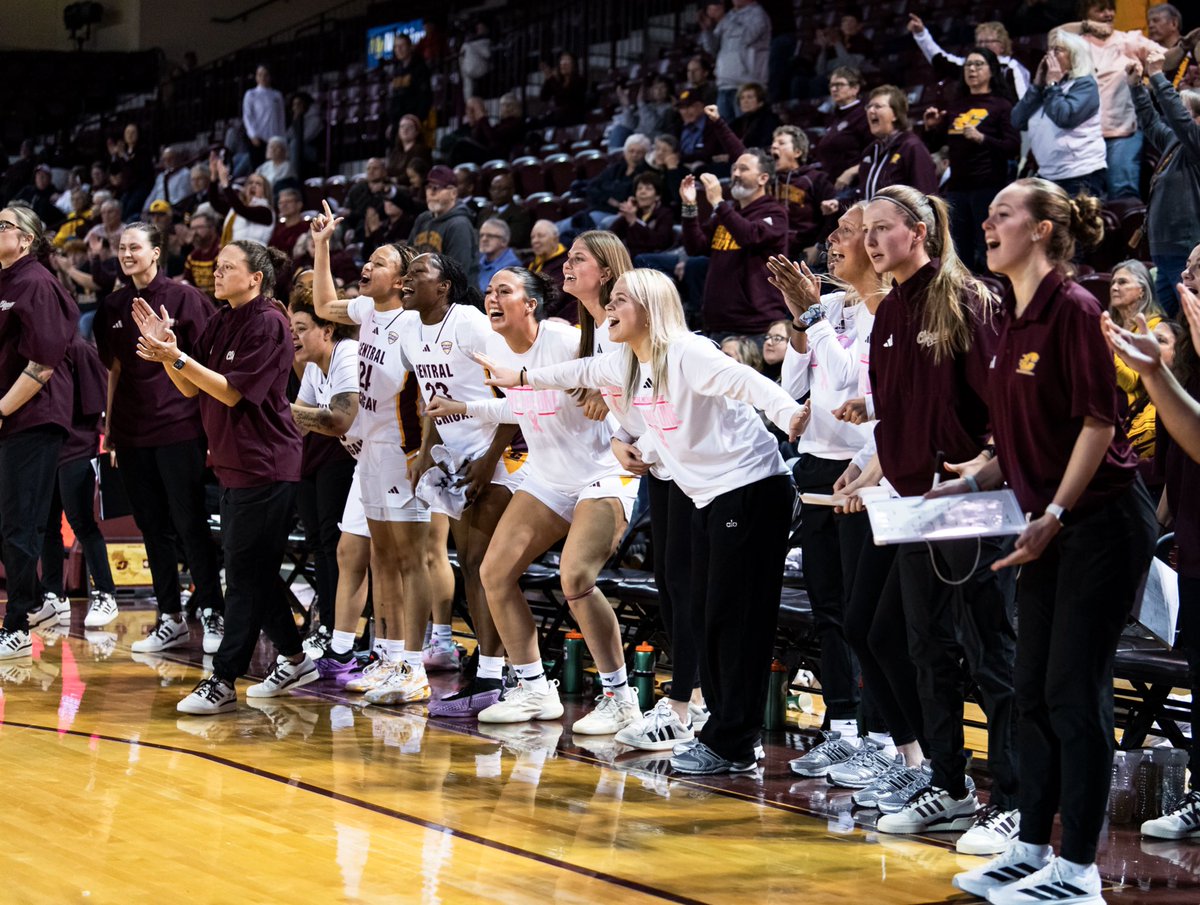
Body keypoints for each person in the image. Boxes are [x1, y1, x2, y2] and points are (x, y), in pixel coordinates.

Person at [482, 268, 807, 774]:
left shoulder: (686, 351)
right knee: (705, 614)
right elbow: (577, 374)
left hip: (750, 489)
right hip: (711, 497)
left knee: (732, 620)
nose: (608, 308)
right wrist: (520, 379)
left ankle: (734, 742)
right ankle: (725, 735)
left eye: (619, 300)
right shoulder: (627, 361)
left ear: (651, 309)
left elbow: (748, 384)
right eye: (609, 300)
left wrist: (791, 417)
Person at [950, 177, 1156, 905]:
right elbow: (1014, 440)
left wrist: (1057, 514)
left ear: (1040, 230)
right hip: (1046, 527)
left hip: (1098, 522)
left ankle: (1078, 871)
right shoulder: (1006, 316)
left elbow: (1100, 424)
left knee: (1074, 690)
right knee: (1033, 686)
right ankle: (1031, 845)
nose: (988, 221)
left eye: (1003, 212)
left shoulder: (1075, 308)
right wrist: (965, 483)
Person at [850, 186, 1021, 856]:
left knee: (991, 653)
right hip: (914, 509)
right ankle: (951, 786)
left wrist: (983, 463)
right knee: (926, 648)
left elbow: (999, 399)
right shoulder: (890, 306)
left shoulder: (965, 297)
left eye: (881, 229)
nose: (870, 241)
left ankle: (1012, 796)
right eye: (866, 231)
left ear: (918, 231)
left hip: (969, 505)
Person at [428, 266, 642, 733]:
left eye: (504, 290)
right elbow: (521, 407)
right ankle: (532, 689)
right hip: (548, 477)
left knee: (575, 578)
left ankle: (620, 697)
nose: (492, 297)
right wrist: (464, 407)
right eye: (487, 291)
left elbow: (630, 364)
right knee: (493, 572)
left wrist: (610, 395)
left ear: (530, 304)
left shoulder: (564, 339)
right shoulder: (498, 350)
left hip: (603, 474)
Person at [135, 240, 313, 714]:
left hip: (268, 466)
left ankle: (224, 679)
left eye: (227, 267)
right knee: (253, 570)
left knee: (242, 575)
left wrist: (175, 356)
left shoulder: (270, 322)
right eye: (216, 267)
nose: (216, 273)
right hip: (234, 466)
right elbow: (192, 385)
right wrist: (166, 355)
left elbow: (233, 393)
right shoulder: (222, 318)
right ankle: (296, 658)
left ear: (255, 277)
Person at [307, 208, 435, 697]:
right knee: (382, 557)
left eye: (378, 263)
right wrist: (321, 245)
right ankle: (387, 655)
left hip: (402, 451)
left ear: (401, 280)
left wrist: (422, 452)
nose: (366, 267)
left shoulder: (410, 324)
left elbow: (428, 398)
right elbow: (323, 303)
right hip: (372, 451)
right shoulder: (365, 312)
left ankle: (414, 665)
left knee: (411, 560)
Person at [93, 222, 225, 655]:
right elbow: (113, 371)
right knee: (151, 525)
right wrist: (111, 429)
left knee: (189, 522)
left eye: (135, 247)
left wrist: (211, 428)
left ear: (156, 252)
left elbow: (206, 365)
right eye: (121, 247)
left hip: (180, 428)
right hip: (131, 434)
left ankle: (212, 610)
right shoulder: (111, 305)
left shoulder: (186, 298)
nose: (127, 253)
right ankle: (169, 617)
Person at [402, 252, 524, 714]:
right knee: (472, 565)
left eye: (419, 273)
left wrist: (489, 460)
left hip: (502, 451)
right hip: (456, 459)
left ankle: (498, 673)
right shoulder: (412, 331)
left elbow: (517, 396)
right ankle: (494, 670)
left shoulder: (471, 323)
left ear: (445, 286)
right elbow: (434, 401)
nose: (409, 278)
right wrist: (423, 453)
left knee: (481, 563)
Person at [0, 205, 79, 660]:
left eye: (4, 225)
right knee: (11, 522)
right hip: (11, 418)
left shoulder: (37, 283)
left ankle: (19, 620)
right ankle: (37, 607)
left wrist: (2, 410)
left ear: (26, 240)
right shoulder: (6, 281)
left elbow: (42, 366)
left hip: (31, 419)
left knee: (21, 522)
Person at [288, 285, 358, 651]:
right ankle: (333, 631)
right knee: (329, 546)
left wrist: (276, 407)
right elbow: (299, 420)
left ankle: (341, 632)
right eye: (290, 328)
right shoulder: (315, 368)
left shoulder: (348, 353)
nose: (293, 336)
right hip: (363, 461)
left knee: (341, 546)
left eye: (300, 328)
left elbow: (335, 420)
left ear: (328, 330)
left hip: (384, 459)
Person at [40, 333, 119, 628]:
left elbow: (100, 398)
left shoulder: (79, 349)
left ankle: (106, 593)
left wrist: (110, 436)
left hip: (77, 446)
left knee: (81, 521)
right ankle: (53, 595)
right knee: (47, 523)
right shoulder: (36, 348)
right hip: (46, 447)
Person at [921, 47, 1020, 270]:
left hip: (987, 187)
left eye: (978, 64)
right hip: (957, 188)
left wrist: (982, 138)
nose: (972, 69)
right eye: (968, 65)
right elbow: (935, 145)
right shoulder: (957, 105)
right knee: (958, 251)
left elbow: (1013, 147)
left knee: (987, 248)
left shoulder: (1001, 105)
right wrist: (931, 128)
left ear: (992, 71)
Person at [1059, 0, 1163, 199]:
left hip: (1122, 134)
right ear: (1085, 12)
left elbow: (1167, 58)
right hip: (1084, 136)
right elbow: (1054, 35)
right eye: (1100, 10)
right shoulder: (1076, 43)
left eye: (1110, 9)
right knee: (1083, 198)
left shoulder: (1129, 40)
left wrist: (1185, 46)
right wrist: (1086, 27)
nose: (1108, 14)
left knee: (1123, 192)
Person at [681, 151, 789, 340]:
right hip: (717, 324)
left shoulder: (775, 213)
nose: (736, 174)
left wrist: (717, 202)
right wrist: (689, 207)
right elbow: (695, 247)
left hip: (755, 327)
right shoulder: (727, 212)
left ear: (763, 178)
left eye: (744, 169)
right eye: (734, 169)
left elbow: (748, 235)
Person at [707, 105, 835, 260]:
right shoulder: (766, 178)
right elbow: (741, 154)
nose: (774, 146)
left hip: (802, 251)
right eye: (773, 142)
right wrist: (718, 122)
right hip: (767, 245)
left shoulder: (815, 179)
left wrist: (819, 245)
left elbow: (833, 215)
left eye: (781, 143)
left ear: (797, 152)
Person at [1131, 51, 1200, 315]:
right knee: (1172, 327)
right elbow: (1150, 121)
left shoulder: (1196, 144)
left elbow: (1176, 115)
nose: (1172, 117)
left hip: (1186, 252)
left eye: (1182, 111)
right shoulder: (1175, 143)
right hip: (1163, 252)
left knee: (1191, 322)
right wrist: (1136, 86)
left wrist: (1158, 76)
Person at [1011, 29, 1106, 197]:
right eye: (1049, 50)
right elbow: (1017, 120)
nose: (1050, 55)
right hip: (1048, 175)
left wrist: (1052, 84)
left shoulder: (1085, 85)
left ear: (1075, 57)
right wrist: (1037, 86)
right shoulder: (1047, 88)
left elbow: (1064, 117)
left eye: (1057, 50)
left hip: (1079, 175)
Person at [824, 85, 938, 214]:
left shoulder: (912, 147)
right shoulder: (871, 151)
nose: (870, 111)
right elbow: (866, 195)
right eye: (869, 106)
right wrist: (839, 203)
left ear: (895, 114)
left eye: (878, 106)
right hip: (875, 227)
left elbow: (926, 197)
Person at [1109, 260, 1165, 460]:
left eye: (1123, 282)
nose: (1114, 287)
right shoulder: (1114, 324)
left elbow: (1131, 382)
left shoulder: (1153, 327)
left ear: (1142, 290)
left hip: (1133, 408)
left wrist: (1108, 348)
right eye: (1113, 282)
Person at [908, 16, 1031, 98]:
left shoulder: (1012, 69)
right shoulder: (969, 66)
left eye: (988, 42)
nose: (982, 46)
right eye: (980, 42)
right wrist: (921, 34)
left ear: (1002, 46)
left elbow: (1024, 105)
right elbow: (940, 60)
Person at [699, 0, 772, 124]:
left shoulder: (758, 14)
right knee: (724, 132)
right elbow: (712, 48)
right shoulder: (728, 17)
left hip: (748, 85)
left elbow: (747, 37)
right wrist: (708, 29)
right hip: (724, 84)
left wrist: (723, 20)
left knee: (746, 130)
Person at [409, 165, 479, 285]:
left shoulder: (459, 225)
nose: (431, 193)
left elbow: (457, 274)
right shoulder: (423, 219)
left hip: (455, 298)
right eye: (428, 187)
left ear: (453, 193)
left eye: (436, 188)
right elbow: (409, 256)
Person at [811, 67, 873, 182]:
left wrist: (852, 172)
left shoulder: (863, 115)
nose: (834, 89)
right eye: (831, 86)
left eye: (839, 85)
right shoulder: (833, 117)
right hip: (832, 183)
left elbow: (873, 154)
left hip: (855, 183)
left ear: (855, 88)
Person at [208, 154, 274, 246]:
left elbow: (242, 210)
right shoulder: (236, 209)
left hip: (254, 257)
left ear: (265, 191)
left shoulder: (266, 212)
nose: (253, 185)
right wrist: (214, 176)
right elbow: (215, 203)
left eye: (258, 184)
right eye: (250, 182)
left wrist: (225, 182)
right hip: (235, 255)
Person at [609, 172, 675, 260]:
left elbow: (661, 241)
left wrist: (634, 221)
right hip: (630, 255)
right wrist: (626, 215)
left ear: (657, 196)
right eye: (639, 188)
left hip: (650, 258)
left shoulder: (665, 214)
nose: (642, 192)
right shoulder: (634, 212)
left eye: (648, 189)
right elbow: (611, 235)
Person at [609, 76, 679, 152]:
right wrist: (627, 106)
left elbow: (652, 126)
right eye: (656, 88)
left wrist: (641, 103)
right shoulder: (648, 106)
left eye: (662, 87)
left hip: (653, 140)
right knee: (619, 129)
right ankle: (613, 155)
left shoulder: (669, 108)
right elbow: (630, 125)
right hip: (637, 139)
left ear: (669, 90)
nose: (659, 90)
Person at [387, 34, 433, 137]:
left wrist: (417, 120)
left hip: (413, 122)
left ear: (410, 47)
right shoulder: (396, 70)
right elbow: (394, 99)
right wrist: (391, 123)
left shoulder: (420, 68)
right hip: (398, 123)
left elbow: (425, 97)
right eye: (396, 46)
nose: (398, 49)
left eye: (402, 46)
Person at [242, 65, 287, 168]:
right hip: (258, 138)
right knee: (258, 168)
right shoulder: (251, 94)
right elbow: (247, 116)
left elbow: (281, 118)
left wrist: (282, 139)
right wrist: (253, 134)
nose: (263, 77)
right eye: (260, 75)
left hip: (274, 138)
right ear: (256, 77)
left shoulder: (277, 95)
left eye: (266, 75)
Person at [476, 172, 531, 250]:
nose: (496, 192)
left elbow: (513, 240)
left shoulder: (520, 214)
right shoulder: (484, 212)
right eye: (493, 189)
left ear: (512, 191)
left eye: (501, 189)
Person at [341, 158, 394, 237]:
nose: (371, 171)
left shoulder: (390, 190)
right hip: (354, 227)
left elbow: (375, 213)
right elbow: (346, 211)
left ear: (384, 172)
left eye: (375, 168)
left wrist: (352, 213)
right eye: (368, 168)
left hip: (379, 228)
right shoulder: (356, 188)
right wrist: (348, 229)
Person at [527, 220, 569, 315]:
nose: (535, 241)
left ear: (555, 239)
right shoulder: (530, 264)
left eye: (540, 236)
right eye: (532, 237)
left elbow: (554, 299)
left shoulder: (565, 264)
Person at [538, 51, 587, 126]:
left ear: (574, 65)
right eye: (562, 60)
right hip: (559, 117)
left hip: (573, 117)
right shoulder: (558, 82)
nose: (563, 64)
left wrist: (551, 79)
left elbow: (565, 97)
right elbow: (544, 97)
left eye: (567, 61)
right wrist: (547, 79)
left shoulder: (580, 80)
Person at [142, 146, 191, 217]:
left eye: (171, 158)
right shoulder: (161, 176)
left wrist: (165, 208)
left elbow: (183, 198)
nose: (167, 161)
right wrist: (145, 209)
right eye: (165, 159)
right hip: (156, 209)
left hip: (171, 211)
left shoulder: (185, 173)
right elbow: (153, 195)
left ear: (177, 159)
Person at [729, 82, 780, 149]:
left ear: (760, 102)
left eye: (749, 97)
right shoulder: (738, 122)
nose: (745, 101)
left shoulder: (770, 120)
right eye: (742, 98)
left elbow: (766, 146)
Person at [182, 209, 220, 299]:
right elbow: (187, 281)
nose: (194, 233)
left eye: (198, 228)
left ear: (212, 228)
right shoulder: (192, 257)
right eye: (192, 229)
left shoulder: (222, 252)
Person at [477, 218, 521, 292]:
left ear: (504, 241)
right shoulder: (478, 260)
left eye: (490, 236)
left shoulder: (511, 267)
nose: (484, 239)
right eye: (481, 235)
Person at [386, 114, 432, 186]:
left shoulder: (421, 150)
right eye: (402, 126)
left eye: (410, 127)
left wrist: (394, 180)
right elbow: (389, 170)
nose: (405, 129)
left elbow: (416, 174)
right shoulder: (396, 151)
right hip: (393, 185)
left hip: (410, 188)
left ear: (417, 132)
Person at [287, 91, 323, 180]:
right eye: (294, 105)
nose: (296, 107)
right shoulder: (296, 119)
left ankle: (294, 177)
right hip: (296, 147)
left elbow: (304, 138)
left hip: (313, 151)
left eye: (299, 104)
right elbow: (287, 136)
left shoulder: (315, 119)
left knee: (294, 144)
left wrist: (297, 122)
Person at [269, 187, 308, 255]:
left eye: (288, 202)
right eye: (280, 203)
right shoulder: (278, 227)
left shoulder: (306, 227)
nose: (283, 205)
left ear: (299, 205)